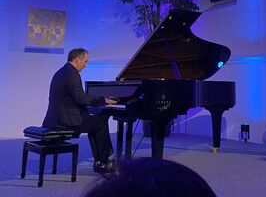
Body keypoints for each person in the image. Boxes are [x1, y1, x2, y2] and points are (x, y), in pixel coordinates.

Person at [42, 48, 117, 173]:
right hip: (67, 120)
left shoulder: (61, 72)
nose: (85, 65)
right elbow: (80, 98)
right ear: (77, 60)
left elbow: (73, 99)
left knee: (94, 122)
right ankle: (103, 162)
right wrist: (102, 100)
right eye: (85, 62)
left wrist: (93, 104)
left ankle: (99, 160)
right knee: (100, 122)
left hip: (56, 118)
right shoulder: (72, 74)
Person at [82, 157, 218, 197]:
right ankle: (102, 157)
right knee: (99, 124)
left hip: (72, 114)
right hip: (72, 116)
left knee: (100, 123)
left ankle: (101, 158)